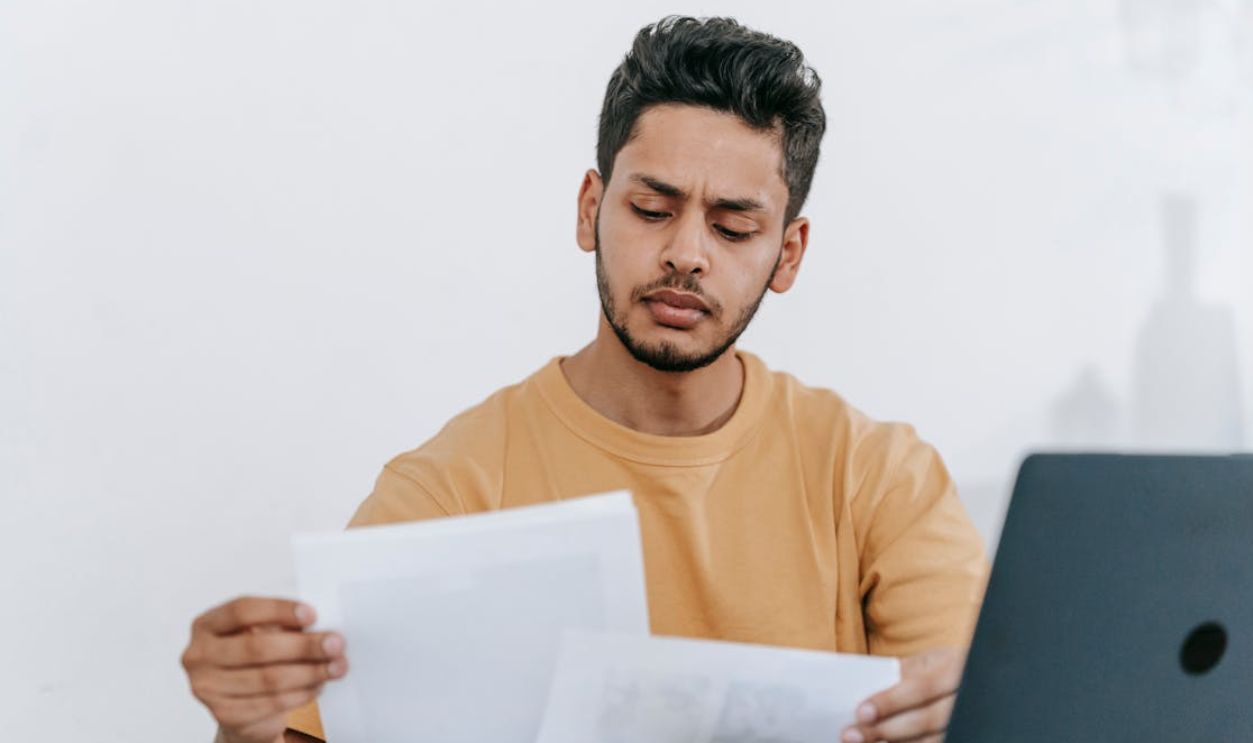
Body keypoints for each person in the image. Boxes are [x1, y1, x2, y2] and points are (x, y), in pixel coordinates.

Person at [180, 15, 988, 743]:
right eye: (651, 209)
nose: (687, 253)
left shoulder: (878, 477)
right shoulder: (448, 492)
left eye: (733, 225)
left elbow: (980, 711)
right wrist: (244, 729)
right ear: (588, 209)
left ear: (787, 254)